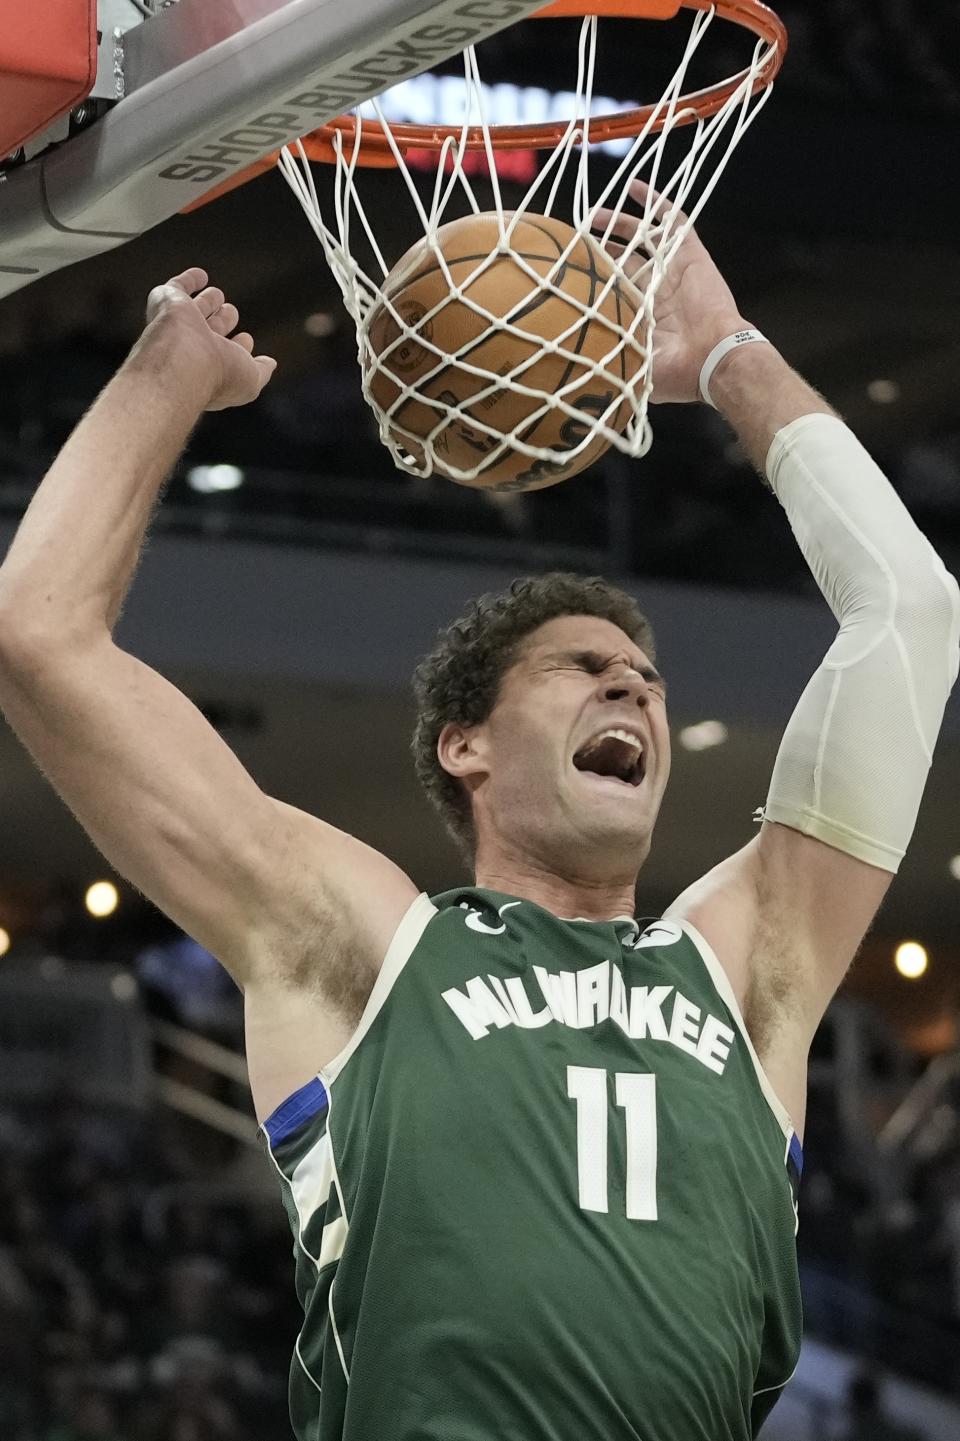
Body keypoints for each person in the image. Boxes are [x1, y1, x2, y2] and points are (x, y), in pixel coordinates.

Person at [0, 185, 956, 1441]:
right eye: (582, 667)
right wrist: (162, 378)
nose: (633, 684)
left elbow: (914, 615)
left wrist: (733, 358)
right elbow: (39, 636)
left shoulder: (750, 965)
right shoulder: (367, 946)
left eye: (647, 679)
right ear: (466, 746)